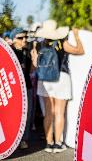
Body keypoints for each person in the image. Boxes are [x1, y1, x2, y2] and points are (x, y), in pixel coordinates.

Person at [31, 20, 84, 153]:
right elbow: (80, 50)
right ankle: (58, 143)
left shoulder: (38, 45)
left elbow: (34, 66)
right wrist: (77, 36)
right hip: (61, 78)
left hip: (44, 80)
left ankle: (49, 144)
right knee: (59, 112)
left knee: (48, 113)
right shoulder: (61, 43)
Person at [10, 27, 32, 149]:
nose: (24, 40)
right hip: (14, 89)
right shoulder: (9, 52)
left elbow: (30, 71)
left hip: (27, 87)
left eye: (25, 37)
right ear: (13, 39)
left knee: (27, 115)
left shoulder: (27, 52)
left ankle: (24, 139)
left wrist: (34, 60)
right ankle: (12, 140)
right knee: (13, 114)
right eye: (20, 37)